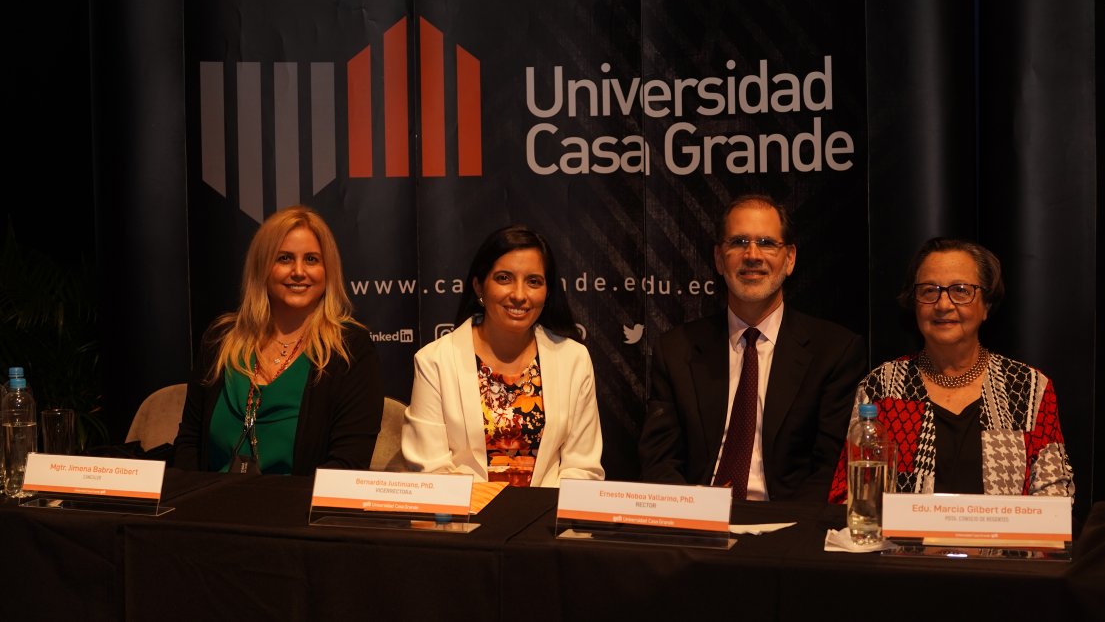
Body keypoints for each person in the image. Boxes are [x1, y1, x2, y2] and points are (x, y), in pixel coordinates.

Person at [640, 194, 867, 501]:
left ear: (790, 259)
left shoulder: (835, 352)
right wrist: (692, 518)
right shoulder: (676, 350)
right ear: (719, 260)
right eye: (738, 242)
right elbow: (660, 462)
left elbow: (831, 470)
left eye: (766, 242)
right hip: (697, 525)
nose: (752, 255)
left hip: (787, 530)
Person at [828, 237, 1074, 502]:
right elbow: (850, 494)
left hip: (1004, 544)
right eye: (929, 291)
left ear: (986, 306)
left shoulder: (1028, 387)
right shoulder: (882, 387)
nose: (943, 305)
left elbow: (1055, 495)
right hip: (902, 544)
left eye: (961, 290)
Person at [174, 206, 384, 474]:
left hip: (297, 511)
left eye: (311, 259)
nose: (298, 271)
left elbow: (348, 464)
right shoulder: (220, 340)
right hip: (208, 508)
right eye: (284, 258)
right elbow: (190, 443)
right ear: (262, 266)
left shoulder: (350, 348)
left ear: (328, 270)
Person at [400, 224, 603, 486]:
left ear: (548, 291)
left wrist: (539, 519)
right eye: (504, 278)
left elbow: (582, 468)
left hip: (548, 521)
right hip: (464, 521)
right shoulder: (435, 361)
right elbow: (431, 470)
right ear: (478, 286)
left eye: (533, 282)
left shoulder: (574, 359)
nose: (519, 295)